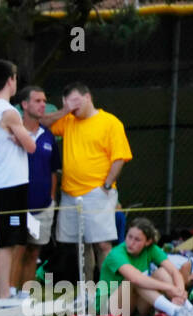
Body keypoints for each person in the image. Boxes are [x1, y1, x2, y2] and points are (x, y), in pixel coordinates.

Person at [48, 82, 132, 275]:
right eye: (68, 103)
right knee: (81, 245)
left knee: (103, 244)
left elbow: (119, 158)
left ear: (88, 97)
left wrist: (107, 184)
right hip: (70, 193)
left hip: (97, 191)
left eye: (76, 101)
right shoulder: (67, 119)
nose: (73, 107)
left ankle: (106, 290)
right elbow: (41, 124)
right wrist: (64, 111)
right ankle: (87, 292)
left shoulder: (110, 122)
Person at [0, 60, 35, 299]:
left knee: (12, 238)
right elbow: (31, 145)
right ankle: (4, 294)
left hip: (6, 180)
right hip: (11, 182)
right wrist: (22, 136)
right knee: (7, 241)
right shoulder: (8, 111)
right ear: (9, 80)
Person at [96, 216, 193, 316]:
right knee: (136, 279)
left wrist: (180, 293)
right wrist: (169, 288)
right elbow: (136, 279)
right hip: (111, 307)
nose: (131, 243)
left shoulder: (152, 249)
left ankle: (188, 307)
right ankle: (174, 311)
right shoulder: (116, 254)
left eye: (137, 239)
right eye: (129, 237)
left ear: (148, 242)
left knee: (162, 272)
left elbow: (174, 272)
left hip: (137, 305)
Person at [13, 85, 60, 294]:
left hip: (43, 206)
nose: (43, 105)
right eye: (38, 101)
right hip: (17, 203)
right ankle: (8, 293)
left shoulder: (48, 136)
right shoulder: (12, 131)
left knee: (33, 251)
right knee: (17, 249)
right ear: (24, 104)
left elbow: (53, 170)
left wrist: (51, 198)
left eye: (44, 101)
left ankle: (25, 294)